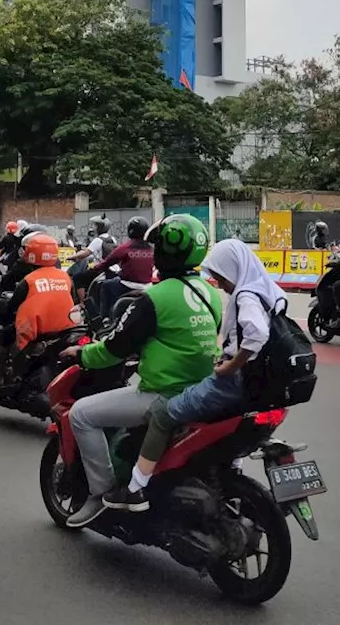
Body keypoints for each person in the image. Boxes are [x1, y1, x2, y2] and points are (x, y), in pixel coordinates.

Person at [57, 214, 220, 528]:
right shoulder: (209, 293)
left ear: (165, 252)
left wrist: (81, 354)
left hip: (162, 392)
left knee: (80, 414)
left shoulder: (154, 298)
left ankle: (101, 493)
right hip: (200, 392)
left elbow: (113, 350)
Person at [104, 239, 279, 512]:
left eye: (221, 277)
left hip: (233, 381)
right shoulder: (269, 291)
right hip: (260, 385)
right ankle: (232, 471)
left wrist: (232, 365)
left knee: (163, 414)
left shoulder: (245, 295)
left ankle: (135, 489)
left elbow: (256, 333)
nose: (219, 284)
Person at [0, 232, 77, 389]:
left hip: (38, 329)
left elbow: (11, 307)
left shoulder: (28, 281)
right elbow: (74, 301)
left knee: (5, 335)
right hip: (64, 329)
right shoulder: (65, 277)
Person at [78, 215, 154, 318]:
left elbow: (107, 262)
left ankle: (105, 318)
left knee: (105, 286)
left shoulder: (126, 247)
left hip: (128, 285)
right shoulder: (151, 249)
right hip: (148, 286)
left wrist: (93, 269)